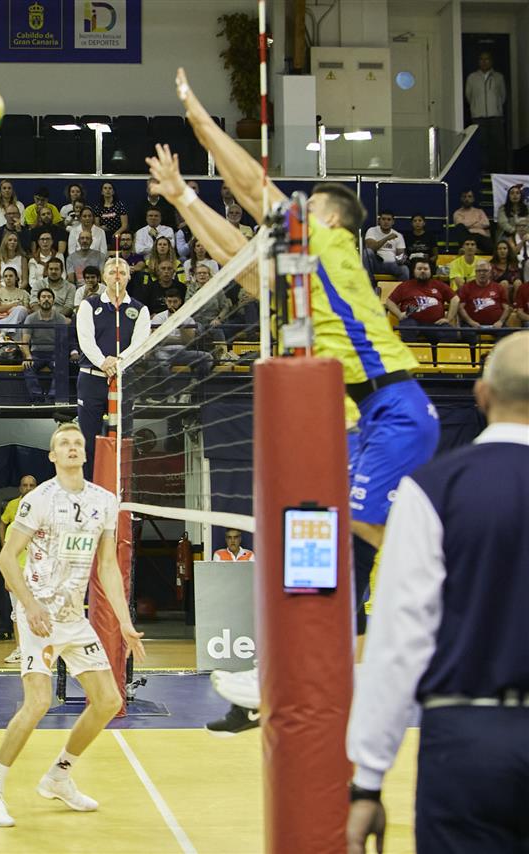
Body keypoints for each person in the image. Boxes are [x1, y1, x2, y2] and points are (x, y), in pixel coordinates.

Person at [162, 69, 441, 719]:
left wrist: (199, 119)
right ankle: (287, 678)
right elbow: (239, 258)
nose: (295, 212)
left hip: (390, 411)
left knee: (334, 525)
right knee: (317, 559)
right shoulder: (303, 285)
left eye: (306, 205)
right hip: (353, 426)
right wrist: (183, 199)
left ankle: (452, 585)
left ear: (329, 218)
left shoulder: (332, 245)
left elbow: (253, 188)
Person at [345, 332, 529, 854]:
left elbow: (398, 643)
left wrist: (368, 781)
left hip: (467, 739)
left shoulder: (432, 489)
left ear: (481, 395)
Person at [0, 422, 145, 828]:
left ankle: (59, 776)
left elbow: (107, 566)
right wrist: (29, 605)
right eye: (63, 443)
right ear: (52, 455)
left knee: (108, 701)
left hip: (72, 618)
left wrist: (124, 621)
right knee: (38, 702)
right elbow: (6, 558)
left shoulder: (105, 501)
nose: (71, 447)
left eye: (77, 443)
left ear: (85, 453)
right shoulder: (39, 500)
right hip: (39, 616)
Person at [75, 255, 152, 478]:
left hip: (123, 380)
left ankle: (121, 490)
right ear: (104, 277)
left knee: (122, 440)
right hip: (91, 379)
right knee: (87, 441)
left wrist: (117, 362)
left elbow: (140, 344)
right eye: (112, 272)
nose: (117, 276)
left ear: (129, 277)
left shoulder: (140, 310)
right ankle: (88, 487)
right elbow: (85, 340)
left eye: (122, 272)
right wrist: (103, 362)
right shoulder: (89, 305)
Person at [0, 474, 38, 653]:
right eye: (25, 485)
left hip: (38, 575)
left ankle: (38, 649)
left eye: (31, 485)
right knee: (17, 612)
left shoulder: (43, 520)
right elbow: (6, 556)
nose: (28, 488)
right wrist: (8, 575)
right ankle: (21, 649)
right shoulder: (13, 524)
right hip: (18, 573)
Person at [387, 260, 461, 344]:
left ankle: (440, 352)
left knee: (450, 333)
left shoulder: (439, 285)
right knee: (407, 328)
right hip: (411, 321)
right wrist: (399, 314)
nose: (422, 271)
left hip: (435, 323)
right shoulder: (404, 286)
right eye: (419, 269)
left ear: (430, 271)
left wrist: (448, 319)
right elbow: (389, 302)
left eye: (425, 269)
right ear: (414, 271)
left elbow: (455, 299)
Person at [464, 50, 508, 173]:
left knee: (497, 146)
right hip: (479, 118)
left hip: (495, 117)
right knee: (481, 145)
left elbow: (502, 96)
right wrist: (477, 108)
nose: (484, 62)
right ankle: (483, 172)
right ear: (478, 61)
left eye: (487, 59)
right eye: (481, 59)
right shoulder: (472, 77)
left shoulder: (498, 77)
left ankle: (498, 172)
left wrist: (496, 108)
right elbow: (469, 96)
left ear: (491, 61)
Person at [23, 288, 70, 403]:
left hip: (54, 353)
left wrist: (61, 357)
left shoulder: (60, 318)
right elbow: (25, 342)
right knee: (27, 367)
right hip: (36, 353)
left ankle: (52, 398)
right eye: (43, 297)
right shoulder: (30, 318)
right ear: (39, 301)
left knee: (61, 366)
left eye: (49, 297)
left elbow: (63, 341)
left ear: (53, 301)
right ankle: (37, 397)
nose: (46, 299)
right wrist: (28, 356)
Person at [455, 259, 510, 338]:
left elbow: (507, 308)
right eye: (479, 271)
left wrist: (500, 321)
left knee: (507, 334)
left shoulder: (498, 288)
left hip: (496, 325)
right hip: (472, 325)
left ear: (490, 272)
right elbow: (460, 308)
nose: (482, 273)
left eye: (485, 271)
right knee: (467, 334)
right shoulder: (466, 288)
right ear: (475, 273)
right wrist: (471, 322)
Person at [362, 210, 408, 280]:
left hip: (392, 265)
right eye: (383, 219)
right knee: (367, 252)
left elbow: (400, 256)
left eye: (389, 219)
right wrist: (387, 238)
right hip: (376, 264)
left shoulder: (398, 235)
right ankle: (368, 284)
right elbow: (370, 247)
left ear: (393, 222)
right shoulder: (372, 230)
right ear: (379, 221)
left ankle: (402, 287)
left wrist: (401, 259)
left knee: (404, 269)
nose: (386, 222)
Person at [451, 189, 494, 254]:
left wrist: (469, 224)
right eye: (464, 197)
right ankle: (472, 250)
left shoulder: (479, 211)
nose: (467, 199)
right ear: (461, 199)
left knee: (491, 246)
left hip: (480, 236)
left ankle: (477, 251)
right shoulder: (457, 213)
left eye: (469, 196)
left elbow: (486, 223)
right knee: (460, 227)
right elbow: (461, 225)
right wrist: (477, 222)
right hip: (467, 237)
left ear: (473, 199)